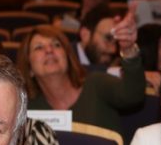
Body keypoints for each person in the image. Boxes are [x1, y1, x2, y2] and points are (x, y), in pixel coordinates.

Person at [17, 22, 146, 134]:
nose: (49, 50)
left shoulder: (96, 84)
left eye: (56, 45)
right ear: (29, 68)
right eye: (39, 47)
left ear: (68, 57)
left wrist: (129, 50)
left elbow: (133, 95)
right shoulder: (29, 108)